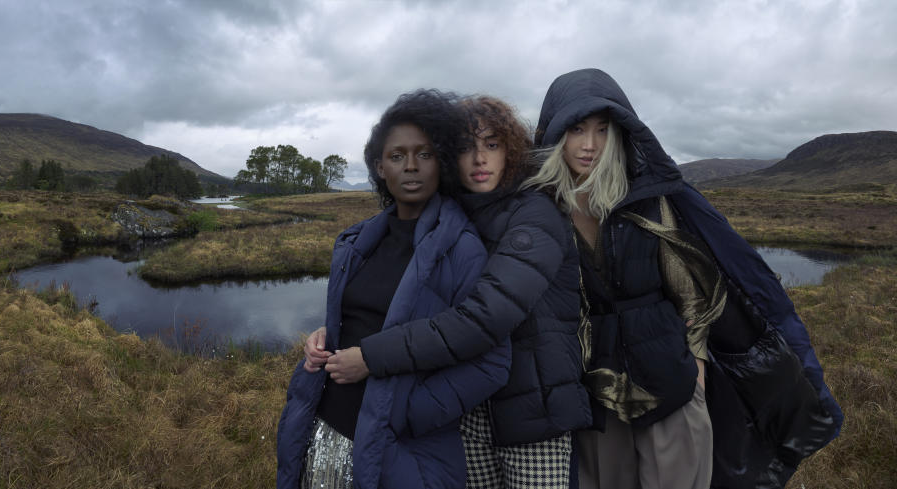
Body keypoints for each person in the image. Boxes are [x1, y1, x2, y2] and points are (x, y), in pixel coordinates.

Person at [525, 68, 843, 489]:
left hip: (670, 386)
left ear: (620, 132)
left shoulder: (651, 201)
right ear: (555, 132)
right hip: (594, 394)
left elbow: (694, 292)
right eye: (577, 129)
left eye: (603, 130)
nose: (589, 145)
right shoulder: (541, 212)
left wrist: (695, 368)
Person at [316, 95, 593, 488]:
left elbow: (486, 316)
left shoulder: (534, 214)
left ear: (511, 150)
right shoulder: (452, 218)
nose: (480, 158)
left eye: (492, 145)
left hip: (535, 412)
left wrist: (372, 356)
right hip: (468, 416)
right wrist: (333, 331)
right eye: (465, 146)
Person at [276, 89, 510, 489]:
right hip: (322, 429)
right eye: (397, 156)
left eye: (425, 154)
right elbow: (358, 319)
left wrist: (404, 413)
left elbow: (491, 364)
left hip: (397, 448)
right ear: (380, 168)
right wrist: (324, 335)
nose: (412, 167)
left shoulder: (463, 249)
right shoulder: (358, 242)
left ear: (441, 163)